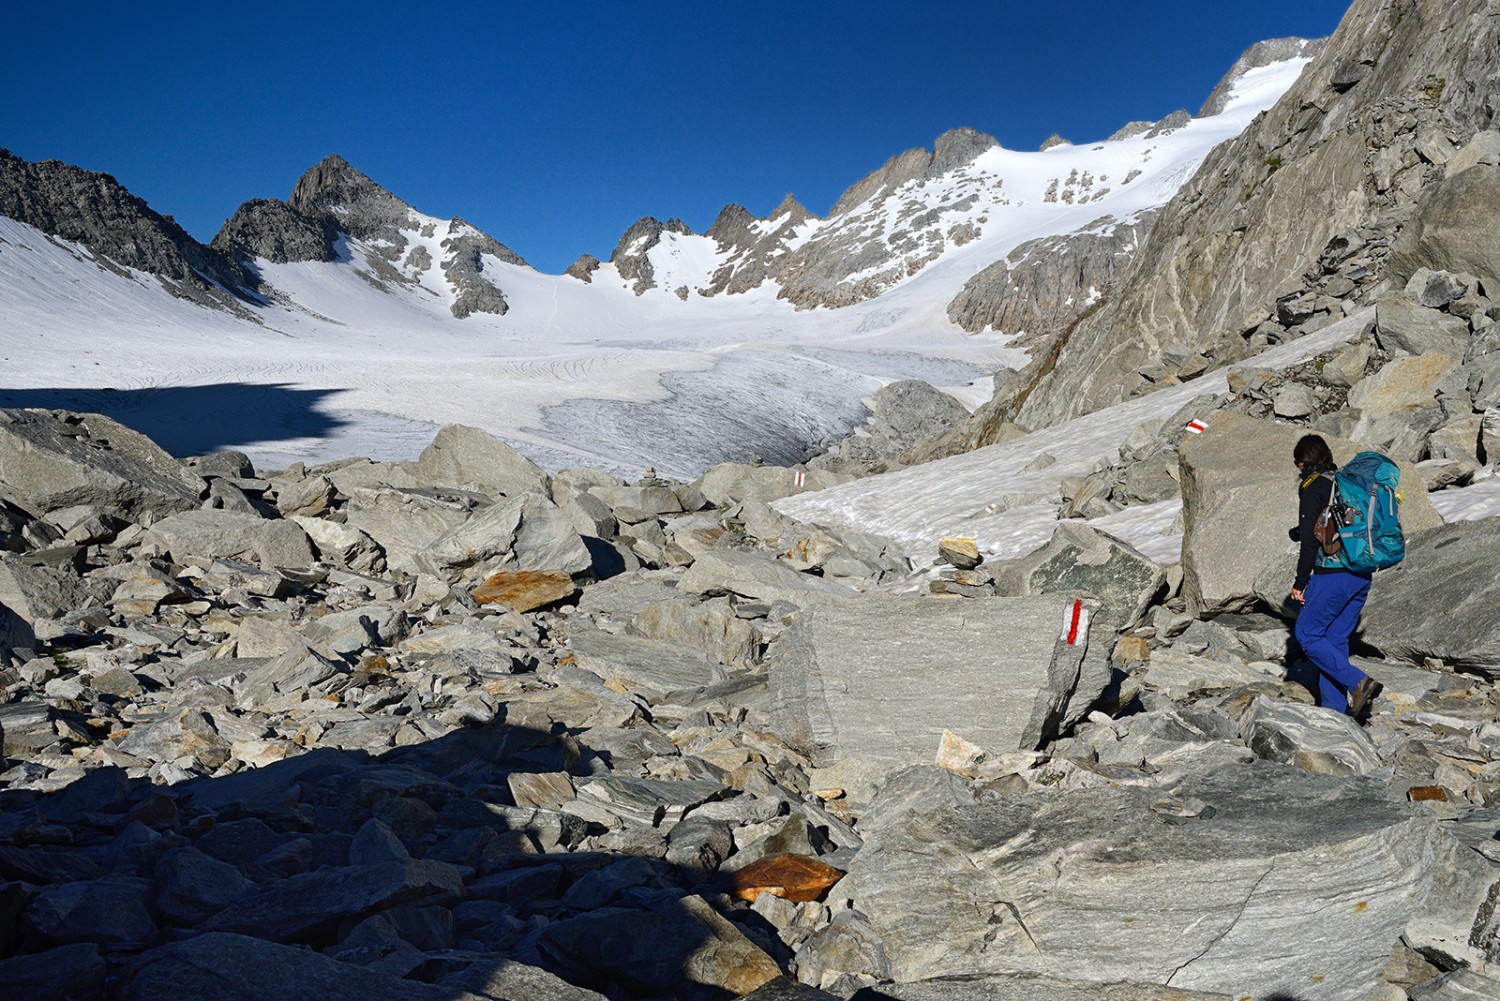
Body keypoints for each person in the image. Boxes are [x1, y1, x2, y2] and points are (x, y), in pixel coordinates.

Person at [1289, 434, 1382, 720]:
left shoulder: (1313, 485)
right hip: (1361, 574)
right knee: (1334, 638)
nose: (1298, 469)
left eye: (1298, 463)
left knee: (1307, 634)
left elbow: (1310, 542)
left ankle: (1358, 682)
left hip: (1332, 575)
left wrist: (1300, 582)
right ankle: (1335, 713)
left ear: (1305, 462)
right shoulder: (1344, 484)